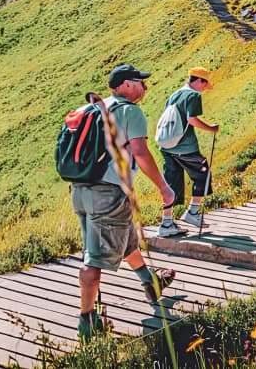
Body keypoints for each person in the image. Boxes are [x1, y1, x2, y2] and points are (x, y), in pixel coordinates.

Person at [71, 63, 177, 341]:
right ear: (127, 85)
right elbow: (140, 152)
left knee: (124, 235)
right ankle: (87, 323)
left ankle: (150, 281)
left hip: (80, 189)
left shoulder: (91, 109)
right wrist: (165, 188)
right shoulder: (130, 111)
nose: (144, 87)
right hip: (108, 191)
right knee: (94, 259)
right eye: (141, 82)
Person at [157, 66, 220, 235]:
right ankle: (192, 212)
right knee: (203, 174)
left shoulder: (175, 94)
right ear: (199, 81)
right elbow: (191, 119)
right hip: (185, 147)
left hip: (166, 146)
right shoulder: (193, 95)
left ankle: (166, 223)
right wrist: (211, 128)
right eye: (204, 85)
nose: (204, 89)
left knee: (171, 183)